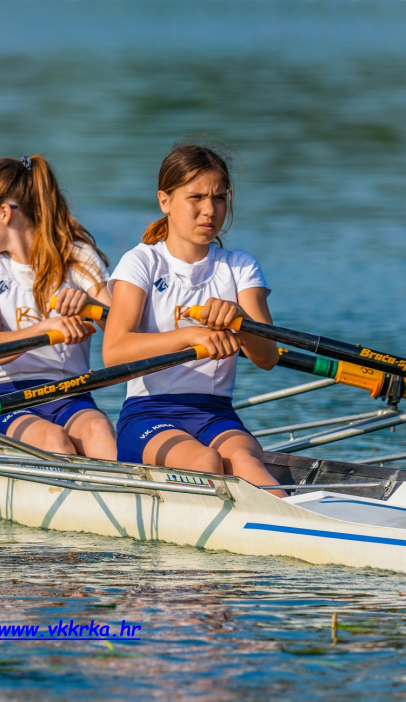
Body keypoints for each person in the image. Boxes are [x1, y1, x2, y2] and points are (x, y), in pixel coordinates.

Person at [102, 143, 284, 495]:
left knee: (246, 463)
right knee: (205, 461)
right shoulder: (141, 263)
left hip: (216, 413)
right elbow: (114, 351)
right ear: (165, 201)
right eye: (196, 197)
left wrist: (242, 321)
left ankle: (294, 519)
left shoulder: (240, 266)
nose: (209, 210)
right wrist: (191, 336)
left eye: (219, 198)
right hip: (148, 415)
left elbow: (267, 358)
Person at [0, 155, 117, 459]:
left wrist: (90, 305)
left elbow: (121, 331)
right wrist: (47, 327)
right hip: (5, 397)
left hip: (70, 394)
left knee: (100, 431)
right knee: (54, 439)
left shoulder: (78, 256)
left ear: (4, 213)